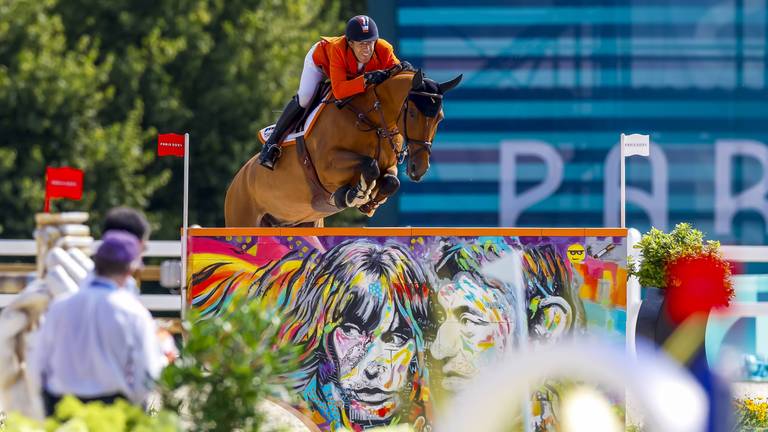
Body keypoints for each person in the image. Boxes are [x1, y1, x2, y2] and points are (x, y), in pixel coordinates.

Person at [265, 239, 432, 431]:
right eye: (352, 331)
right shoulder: (288, 418)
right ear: (321, 332)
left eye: (395, 338)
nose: (372, 367)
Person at [29, 230, 165, 416]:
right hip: (112, 410)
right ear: (130, 269)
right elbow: (147, 372)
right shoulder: (134, 312)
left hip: (60, 407)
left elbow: (38, 364)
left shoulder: (59, 306)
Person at [259, 15, 401, 170]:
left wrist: (403, 69)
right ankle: (271, 144)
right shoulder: (338, 49)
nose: (367, 49)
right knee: (305, 98)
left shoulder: (384, 49)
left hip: (349, 76)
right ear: (350, 43)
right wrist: (366, 80)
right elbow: (339, 91)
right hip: (320, 65)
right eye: (361, 44)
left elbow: (397, 76)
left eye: (370, 43)